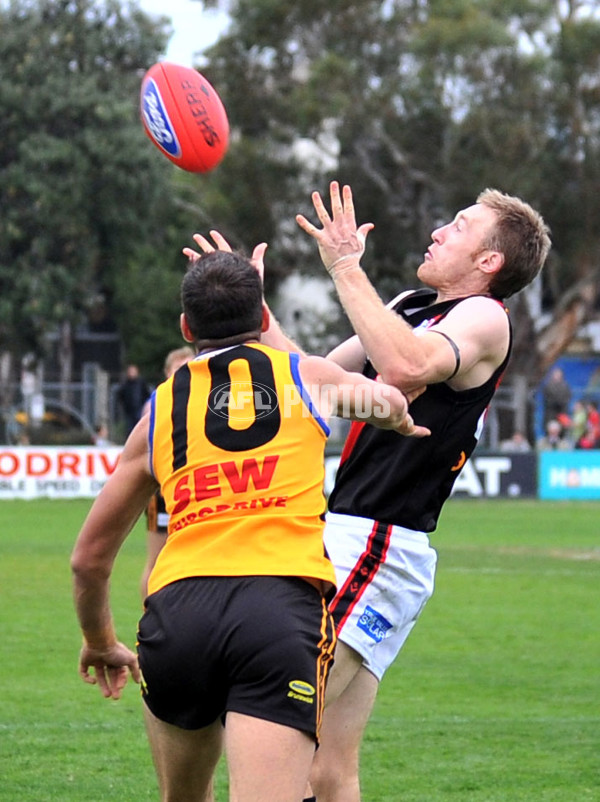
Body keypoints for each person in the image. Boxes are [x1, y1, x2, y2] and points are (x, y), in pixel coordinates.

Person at [189, 181, 550, 802]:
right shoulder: (413, 304)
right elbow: (313, 382)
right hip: (357, 541)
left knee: (271, 726)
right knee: (327, 769)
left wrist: (346, 267)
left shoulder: (485, 316)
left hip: (377, 543)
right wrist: (256, 316)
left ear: (489, 262)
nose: (440, 231)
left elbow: (408, 368)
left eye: (460, 225)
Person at [71, 250, 428, 802]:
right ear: (265, 320)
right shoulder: (303, 377)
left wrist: (100, 641)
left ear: (186, 327)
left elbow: (89, 561)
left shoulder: (160, 411)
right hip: (278, 612)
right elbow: (384, 396)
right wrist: (395, 416)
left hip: (178, 615)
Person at [140, 345, 195, 600]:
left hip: (194, 488)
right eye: (178, 369)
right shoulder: (158, 403)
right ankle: (149, 616)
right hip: (163, 490)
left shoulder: (204, 399)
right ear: (167, 373)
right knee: (157, 560)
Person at [117, 363, 151, 436]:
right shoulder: (125, 384)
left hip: (139, 409)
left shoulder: (141, 383)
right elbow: (121, 395)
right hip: (129, 411)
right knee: (130, 428)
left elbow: (146, 394)